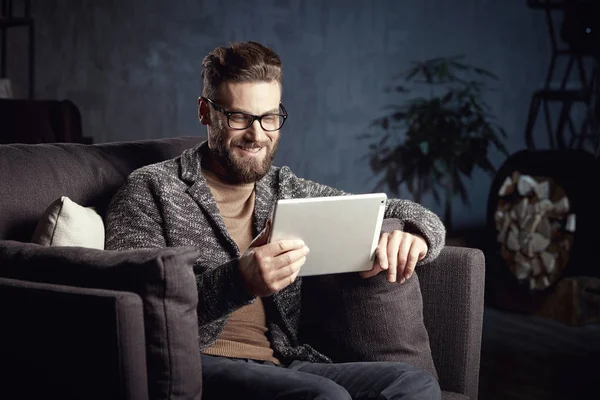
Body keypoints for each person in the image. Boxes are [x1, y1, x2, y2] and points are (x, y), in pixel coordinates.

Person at [105, 41, 446, 400]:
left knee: (413, 383)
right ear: (206, 112)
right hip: (197, 364)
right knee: (325, 396)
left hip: (283, 362)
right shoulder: (152, 189)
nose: (257, 135)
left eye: (269, 118)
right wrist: (239, 280)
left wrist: (415, 234)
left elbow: (397, 209)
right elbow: (137, 311)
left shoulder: (284, 188)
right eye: (239, 117)